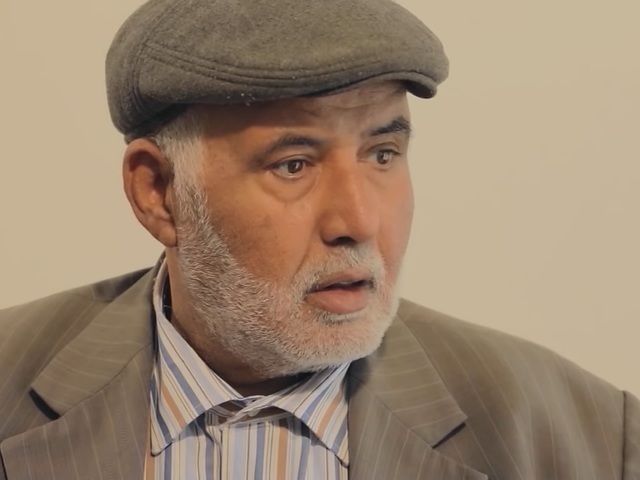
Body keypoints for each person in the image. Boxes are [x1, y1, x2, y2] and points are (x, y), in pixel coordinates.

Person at [0, 0, 638, 478]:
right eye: (294, 164)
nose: (358, 221)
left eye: (382, 153)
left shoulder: (593, 439)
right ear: (159, 192)